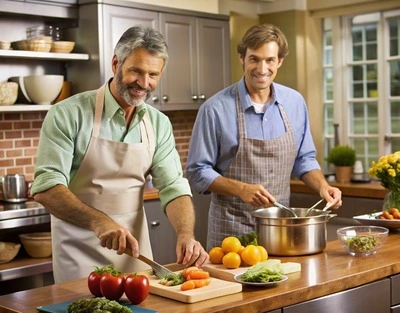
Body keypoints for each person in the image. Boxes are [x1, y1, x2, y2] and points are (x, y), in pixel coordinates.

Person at [31, 25, 208, 283]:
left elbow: (173, 186)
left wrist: (185, 234)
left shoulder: (158, 123)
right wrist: (100, 222)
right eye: (136, 70)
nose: (144, 83)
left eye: (153, 75)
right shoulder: (68, 114)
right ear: (116, 64)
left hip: (136, 258)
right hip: (79, 256)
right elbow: (46, 187)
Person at [186, 24, 343, 250]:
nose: (262, 68)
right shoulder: (215, 109)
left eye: (269, 60)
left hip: (281, 232)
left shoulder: (295, 102)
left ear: (279, 61)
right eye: (254, 59)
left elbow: (304, 160)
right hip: (230, 236)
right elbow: (197, 171)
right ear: (242, 58)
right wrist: (242, 189)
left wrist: (322, 187)